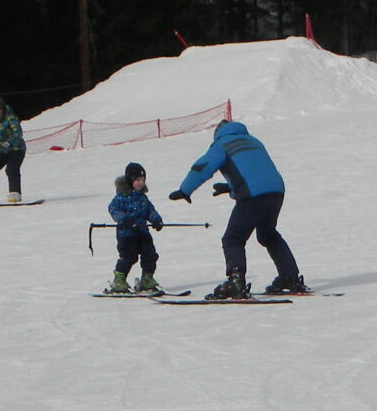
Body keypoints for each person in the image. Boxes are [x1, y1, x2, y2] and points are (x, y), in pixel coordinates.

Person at [169, 120, 307, 300]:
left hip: (252, 196)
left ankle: (236, 282)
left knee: (233, 238)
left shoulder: (222, 144)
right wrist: (231, 187)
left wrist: (185, 190)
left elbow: (203, 166)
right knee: (268, 234)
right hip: (276, 192)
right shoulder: (253, 141)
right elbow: (256, 170)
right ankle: (290, 277)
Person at [106, 162, 165, 293]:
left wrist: (156, 220)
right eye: (137, 180)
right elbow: (113, 209)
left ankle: (147, 279)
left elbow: (150, 210)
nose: (140, 183)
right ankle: (119, 280)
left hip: (142, 232)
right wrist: (124, 219)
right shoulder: (121, 197)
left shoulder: (142, 197)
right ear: (130, 180)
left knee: (150, 254)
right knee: (129, 257)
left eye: (143, 180)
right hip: (127, 234)